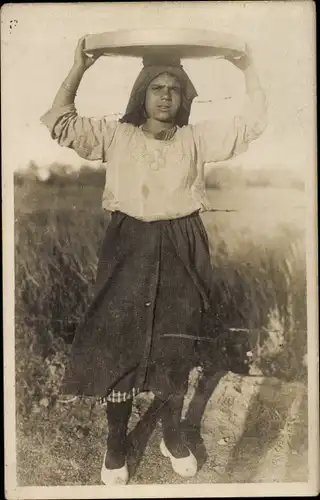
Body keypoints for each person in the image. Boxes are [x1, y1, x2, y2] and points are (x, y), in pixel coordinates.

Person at [41, 35, 267, 485]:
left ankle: (172, 433)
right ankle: (116, 440)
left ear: (184, 97)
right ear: (141, 93)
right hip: (128, 245)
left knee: (175, 341)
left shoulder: (196, 139)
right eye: (157, 87)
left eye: (174, 88)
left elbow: (253, 122)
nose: (166, 95)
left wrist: (247, 68)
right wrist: (79, 68)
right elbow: (62, 122)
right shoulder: (116, 135)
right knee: (119, 342)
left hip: (184, 244)